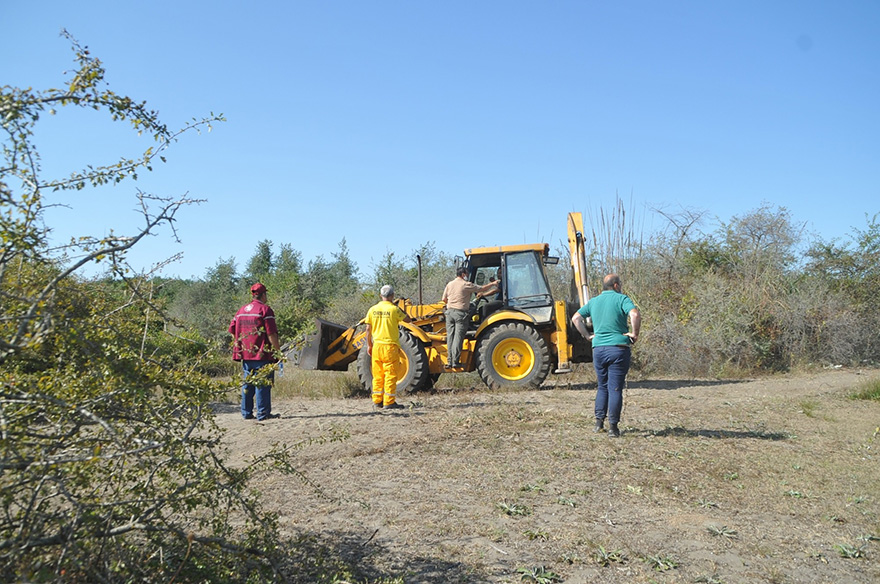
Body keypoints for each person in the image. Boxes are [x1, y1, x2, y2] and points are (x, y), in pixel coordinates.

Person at [571, 274, 641, 438]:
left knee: (602, 386)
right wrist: (634, 333)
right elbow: (635, 315)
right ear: (616, 285)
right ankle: (613, 428)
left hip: (599, 349)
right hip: (618, 348)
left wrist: (587, 336)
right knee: (615, 387)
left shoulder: (594, 301)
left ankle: (598, 423)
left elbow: (576, 318)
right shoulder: (622, 299)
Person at [229, 282, 281, 421]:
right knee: (263, 384)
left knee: (248, 384)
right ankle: (263, 414)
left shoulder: (241, 310)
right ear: (263, 295)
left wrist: (240, 344)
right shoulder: (265, 310)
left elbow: (233, 330)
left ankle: (246, 413)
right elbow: (272, 334)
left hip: (246, 356)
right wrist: (278, 353)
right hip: (262, 355)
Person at [365, 284, 413, 410]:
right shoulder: (394, 310)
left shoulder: (372, 309)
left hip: (377, 346)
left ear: (380, 295)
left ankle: (377, 400)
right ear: (392, 296)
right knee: (390, 375)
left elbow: (368, 329)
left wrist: (369, 345)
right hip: (390, 347)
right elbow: (408, 320)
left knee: (378, 375)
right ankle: (389, 402)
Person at [441, 267, 496, 369]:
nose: (467, 276)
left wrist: (452, 304)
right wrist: (493, 284)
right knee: (458, 338)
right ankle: (455, 361)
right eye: (467, 274)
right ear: (463, 274)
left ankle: (449, 361)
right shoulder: (466, 284)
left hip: (449, 313)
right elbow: (482, 289)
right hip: (460, 314)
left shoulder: (450, 284)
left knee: (450, 337)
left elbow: (444, 299)